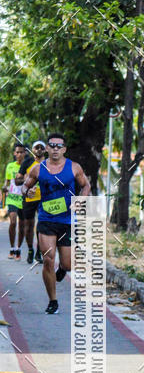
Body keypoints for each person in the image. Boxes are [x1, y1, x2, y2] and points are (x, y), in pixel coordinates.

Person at [20, 132, 90, 314]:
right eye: (52, 145)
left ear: (64, 149)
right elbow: (25, 185)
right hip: (46, 219)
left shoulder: (74, 167)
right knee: (48, 260)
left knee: (67, 264)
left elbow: (86, 185)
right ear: (47, 148)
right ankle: (53, 301)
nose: (55, 149)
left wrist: (81, 201)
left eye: (59, 146)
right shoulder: (38, 169)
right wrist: (26, 191)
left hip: (67, 220)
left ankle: (63, 270)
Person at [17, 141, 46, 264]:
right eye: (36, 147)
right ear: (32, 150)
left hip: (45, 198)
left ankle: (39, 252)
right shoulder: (27, 162)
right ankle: (30, 250)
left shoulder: (49, 163)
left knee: (42, 226)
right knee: (28, 226)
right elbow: (17, 180)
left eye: (41, 147)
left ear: (45, 150)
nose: (39, 149)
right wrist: (25, 181)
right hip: (29, 198)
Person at [3, 142, 26, 259]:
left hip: (24, 199)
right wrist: (4, 187)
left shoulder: (28, 166)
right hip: (12, 198)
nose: (19, 154)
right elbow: (6, 182)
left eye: (21, 152)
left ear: (25, 153)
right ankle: (12, 247)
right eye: (17, 152)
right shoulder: (10, 166)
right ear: (14, 153)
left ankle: (18, 248)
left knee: (22, 226)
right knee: (13, 222)